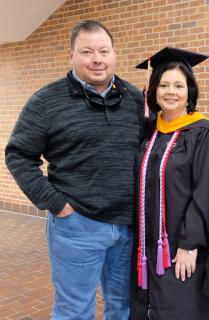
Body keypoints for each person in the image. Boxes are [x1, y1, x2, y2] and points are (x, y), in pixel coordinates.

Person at [5, 20, 144, 319]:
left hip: (128, 227)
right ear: (71, 56)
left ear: (114, 53)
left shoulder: (135, 99)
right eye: (87, 52)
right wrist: (57, 204)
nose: (97, 59)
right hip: (77, 226)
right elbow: (18, 155)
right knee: (74, 311)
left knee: (122, 308)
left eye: (104, 51)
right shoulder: (46, 101)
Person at [130, 47, 209, 319]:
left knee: (183, 309)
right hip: (149, 245)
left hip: (182, 248)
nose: (170, 91)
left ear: (190, 91)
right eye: (163, 85)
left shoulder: (203, 134)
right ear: (154, 90)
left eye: (178, 85)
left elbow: (206, 191)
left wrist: (190, 244)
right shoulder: (151, 134)